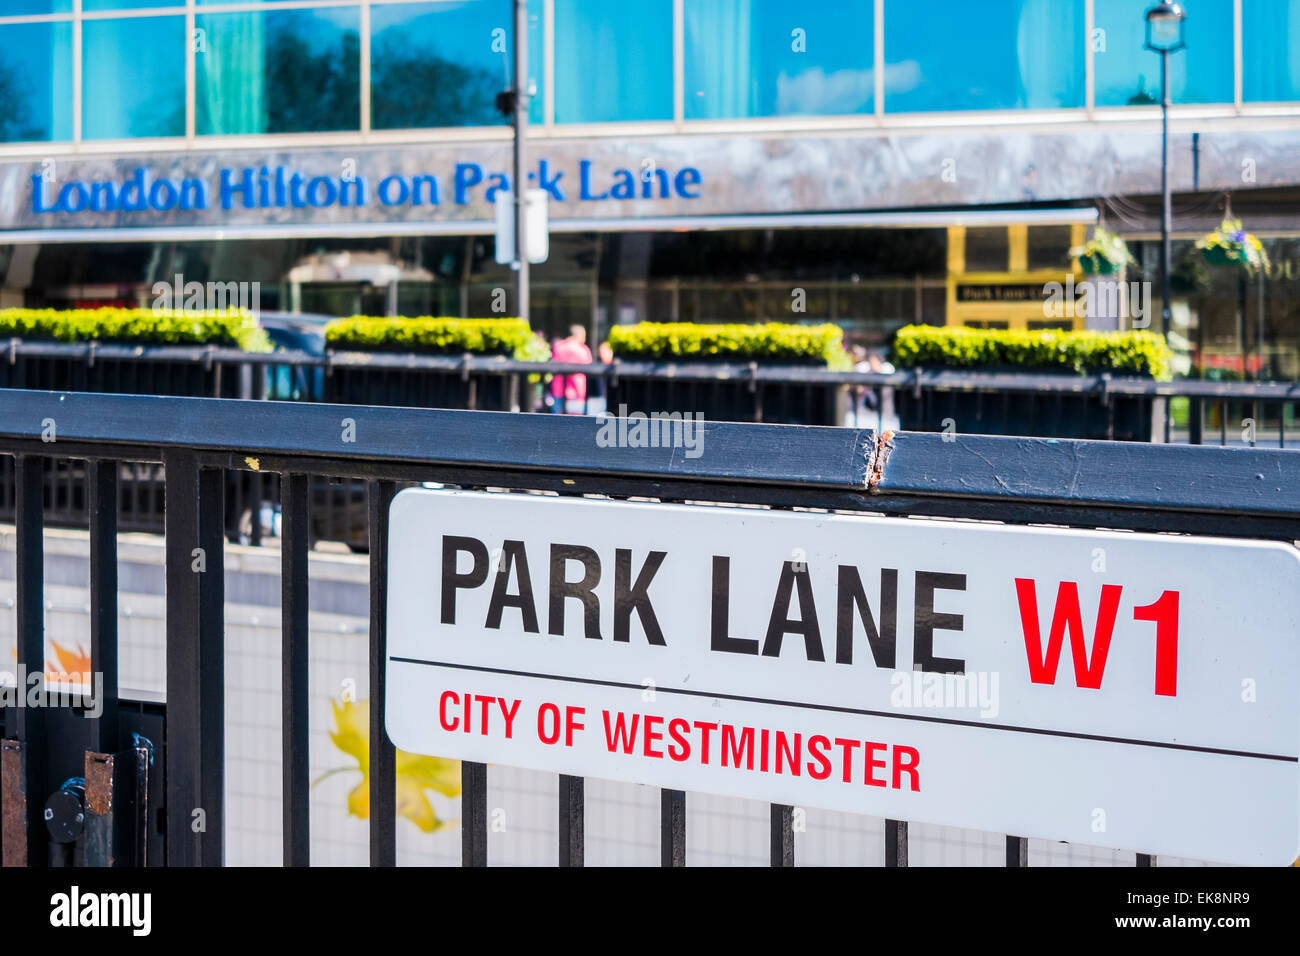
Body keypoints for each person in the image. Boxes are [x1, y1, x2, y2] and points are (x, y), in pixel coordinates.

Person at [549, 324, 593, 414]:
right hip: (576, 391)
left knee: (558, 423)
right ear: (578, 335)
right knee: (575, 424)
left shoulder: (558, 347)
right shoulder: (582, 350)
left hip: (558, 390)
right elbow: (589, 365)